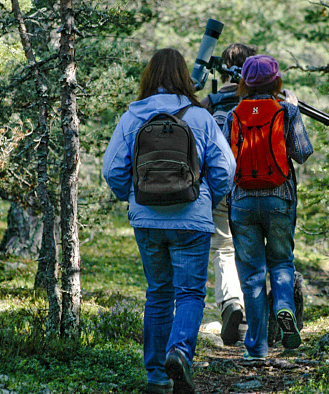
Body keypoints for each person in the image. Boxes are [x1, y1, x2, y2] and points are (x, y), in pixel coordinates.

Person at [102, 48, 236, 394]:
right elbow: (225, 169)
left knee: (158, 293)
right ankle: (179, 351)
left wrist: (134, 197)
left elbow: (111, 170)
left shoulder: (132, 116)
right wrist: (207, 198)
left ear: (149, 76)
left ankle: (157, 376)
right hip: (191, 219)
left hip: (147, 219)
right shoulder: (200, 116)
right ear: (182, 76)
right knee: (190, 292)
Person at [222, 55, 313, 360]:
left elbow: (225, 164)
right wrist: (296, 112)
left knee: (251, 274)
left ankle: (256, 347)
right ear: (277, 82)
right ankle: (284, 305)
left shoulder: (233, 115)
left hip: (243, 201)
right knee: (281, 262)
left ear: (244, 83)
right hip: (279, 198)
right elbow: (302, 153)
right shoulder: (285, 111)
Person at [200, 43, 257, 346]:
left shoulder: (210, 102)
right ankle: (258, 314)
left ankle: (232, 304)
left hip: (219, 185)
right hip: (255, 186)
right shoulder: (260, 100)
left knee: (223, 250)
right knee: (253, 249)